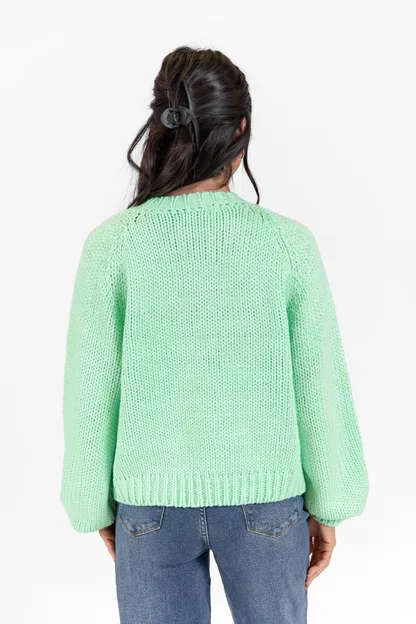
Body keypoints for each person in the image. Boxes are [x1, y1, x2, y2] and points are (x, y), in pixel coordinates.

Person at [60, 46, 369, 624]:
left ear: (160, 126)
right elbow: (319, 383)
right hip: (267, 502)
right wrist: (331, 502)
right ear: (241, 128)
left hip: (149, 505)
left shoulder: (112, 246)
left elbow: (91, 387)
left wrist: (91, 502)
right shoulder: (287, 245)